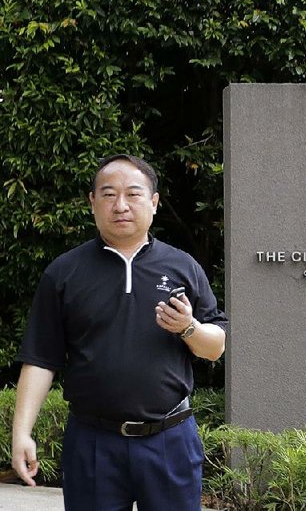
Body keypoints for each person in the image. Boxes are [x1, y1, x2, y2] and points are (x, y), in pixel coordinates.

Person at [11, 154, 228, 510]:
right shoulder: (64, 273)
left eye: (133, 194)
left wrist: (188, 328)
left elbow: (214, 348)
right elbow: (40, 359)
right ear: (92, 203)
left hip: (169, 439)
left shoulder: (182, 266)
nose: (121, 205)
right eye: (109, 195)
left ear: (154, 203)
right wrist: (21, 433)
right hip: (92, 442)